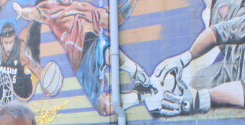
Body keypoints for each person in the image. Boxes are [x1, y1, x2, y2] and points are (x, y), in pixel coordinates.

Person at [10, 0, 152, 114]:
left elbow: (116, 19)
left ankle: (136, 71)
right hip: (80, 63)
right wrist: (22, 12)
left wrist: (132, 2)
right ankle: (140, 95)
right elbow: (34, 13)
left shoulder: (87, 7)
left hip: (93, 41)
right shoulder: (51, 6)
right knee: (104, 107)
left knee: (110, 53)